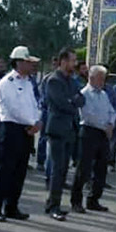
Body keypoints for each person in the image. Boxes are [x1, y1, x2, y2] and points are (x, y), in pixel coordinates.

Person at [0, 46, 41, 222]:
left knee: (20, 171)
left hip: (27, 130)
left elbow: (34, 105)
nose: (31, 65)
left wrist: (37, 121)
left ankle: (12, 206)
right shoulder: (7, 82)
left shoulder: (28, 82)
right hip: (12, 128)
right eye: (28, 62)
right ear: (18, 62)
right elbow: (13, 108)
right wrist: (32, 122)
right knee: (6, 170)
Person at [43, 49, 85, 221]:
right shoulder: (54, 80)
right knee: (58, 169)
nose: (75, 64)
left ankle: (52, 202)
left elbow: (81, 99)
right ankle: (54, 206)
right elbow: (61, 103)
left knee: (64, 169)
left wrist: (72, 100)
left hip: (70, 129)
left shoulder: (72, 81)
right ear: (63, 61)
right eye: (72, 60)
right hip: (57, 129)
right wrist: (72, 101)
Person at [71, 65, 114, 212]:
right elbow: (88, 115)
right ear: (91, 78)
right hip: (89, 132)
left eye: (104, 79)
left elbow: (111, 112)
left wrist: (111, 123)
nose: (102, 82)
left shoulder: (104, 95)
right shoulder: (84, 94)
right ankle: (76, 201)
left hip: (103, 134)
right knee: (84, 168)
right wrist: (104, 126)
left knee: (101, 168)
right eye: (100, 78)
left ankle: (94, 199)